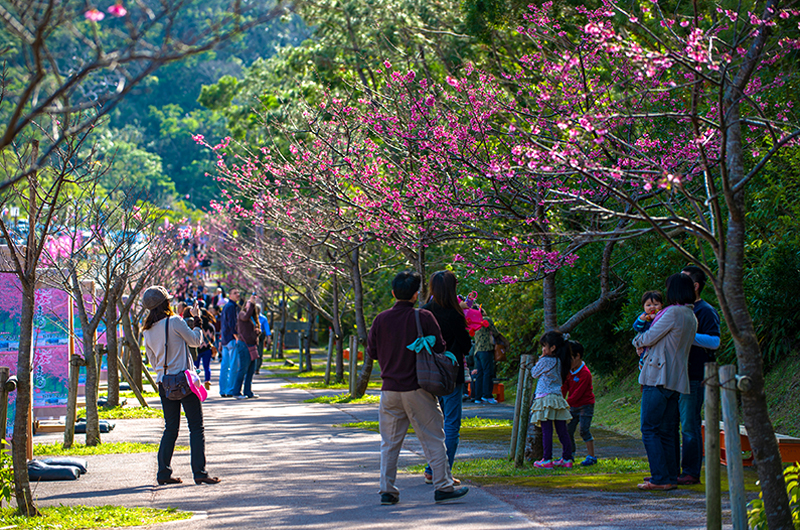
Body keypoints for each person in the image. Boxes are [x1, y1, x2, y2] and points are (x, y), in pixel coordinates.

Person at [366, 270, 469, 505]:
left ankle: (387, 490)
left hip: (389, 391)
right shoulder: (422, 317)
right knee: (433, 437)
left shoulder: (380, 319)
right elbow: (441, 347)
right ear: (415, 295)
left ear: (393, 293)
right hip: (417, 389)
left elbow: (372, 352)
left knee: (389, 443)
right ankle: (443, 486)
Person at [141, 285, 220, 486]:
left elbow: (151, 360)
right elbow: (195, 341)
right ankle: (200, 472)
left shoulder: (147, 331)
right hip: (184, 381)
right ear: (166, 303)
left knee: (171, 428)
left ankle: (163, 472)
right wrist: (197, 321)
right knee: (196, 427)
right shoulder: (175, 321)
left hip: (165, 383)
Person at [632, 273, 697, 491]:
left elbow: (648, 338)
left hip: (658, 376)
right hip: (676, 380)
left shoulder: (671, 313)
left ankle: (660, 478)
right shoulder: (690, 315)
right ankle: (669, 476)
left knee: (649, 428)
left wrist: (636, 341)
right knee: (668, 430)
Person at [422, 270, 472, 485]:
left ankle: (432, 468)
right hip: (451, 374)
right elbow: (467, 346)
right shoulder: (454, 314)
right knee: (451, 423)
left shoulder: (424, 312)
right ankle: (440, 471)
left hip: (425, 373)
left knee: (432, 423)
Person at [678, 265, 721, 486]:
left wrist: (687, 335)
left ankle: (691, 472)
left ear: (695, 286)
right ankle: (672, 470)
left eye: (683, 280)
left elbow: (715, 341)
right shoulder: (677, 310)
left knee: (690, 424)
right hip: (677, 375)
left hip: (695, 376)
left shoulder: (704, 310)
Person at [530, 331, 574, 469]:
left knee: (547, 430)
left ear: (553, 348)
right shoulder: (560, 361)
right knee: (562, 430)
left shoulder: (545, 360)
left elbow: (534, 373)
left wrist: (540, 358)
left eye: (545, 346)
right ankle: (567, 458)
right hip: (557, 398)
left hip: (544, 398)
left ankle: (547, 459)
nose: (543, 349)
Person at [562, 341, 597, 466]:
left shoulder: (585, 373)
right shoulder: (569, 371)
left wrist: (565, 403)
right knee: (568, 429)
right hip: (572, 406)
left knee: (584, 430)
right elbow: (565, 386)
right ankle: (569, 454)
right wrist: (560, 399)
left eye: (570, 358)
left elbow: (578, 393)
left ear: (578, 356)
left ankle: (592, 456)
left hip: (585, 405)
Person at [471, 307, 502, 404]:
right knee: (488, 373)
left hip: (477, 351)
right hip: (486, 349)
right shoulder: (486, 320)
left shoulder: (473, 322)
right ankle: (487, 395)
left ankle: (478, 397)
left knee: (480, 374)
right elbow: (496, 332)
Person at [232, 293, 259, 399]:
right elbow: (246, 316)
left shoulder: (252, 318)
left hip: (252, 346)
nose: (250, 305)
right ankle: (236, 392)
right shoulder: (242, 314)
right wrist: (251, 303)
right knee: (243, 369)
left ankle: (248, 391)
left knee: (251, 370)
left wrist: (257, 331)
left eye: (251, 304)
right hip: (244, 346)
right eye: (248, 303)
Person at [633, 291, 664, 370]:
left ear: (661, 305)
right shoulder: (644, 316)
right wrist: (641, 320)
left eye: (656, 304)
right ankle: (642, 364)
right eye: (648, 305)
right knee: (644, 354)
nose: (652, 307)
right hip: (646, 344)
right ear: (644, 306)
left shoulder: (663, 316)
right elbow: (637, 328)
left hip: (658, 345)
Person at [219, 289, 241, 397]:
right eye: (235, 293)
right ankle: (230, 389)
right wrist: (236, 335)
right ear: (230, 295)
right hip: (231, 339)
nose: (238, 295)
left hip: (225, 339)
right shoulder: (232, 307)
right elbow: (232, 323)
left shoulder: (226, 307)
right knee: (233, 366)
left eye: (238, 293)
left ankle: (223, 390)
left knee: (225, 366)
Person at [194, 308, 217, 391]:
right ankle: (207, 380)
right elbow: (213, 339)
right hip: (207, 349)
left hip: (198, 349)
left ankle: (195, 382)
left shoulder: (198, 326)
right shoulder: (211, 327)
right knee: (207, 366)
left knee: (195, 366)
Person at [255, 304, 271, 375]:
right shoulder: (251, 317)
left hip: (260, 336)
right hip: (252, 335)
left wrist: (269, 337)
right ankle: (253, 367)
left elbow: (267, 328)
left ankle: (257, 367)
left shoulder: (263, 318)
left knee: (259, 352)